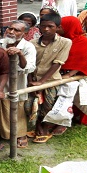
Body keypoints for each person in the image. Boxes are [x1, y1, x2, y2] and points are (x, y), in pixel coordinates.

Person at [29, 12, 72, 143]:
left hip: (51, 80)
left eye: (50, 26)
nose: (46, 29)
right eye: (43, 26)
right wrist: (32, 81)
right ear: (39, 27)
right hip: (33, 80)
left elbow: (57, 63)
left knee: (49, 105)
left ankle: (44, 127)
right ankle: (36, 126)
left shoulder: (65, 42)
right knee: (31, 105)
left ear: (57, 27)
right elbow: (30, 64)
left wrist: (41, 82)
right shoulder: (32, 43)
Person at [0, 20, 36, 148]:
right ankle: (6, 134)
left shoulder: (28, 47)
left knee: (18, 107)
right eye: (10, 29)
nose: (11, 32)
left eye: (17, 30)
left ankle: (21, 134)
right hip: (2, 80)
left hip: (19, 81)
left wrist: (19, 54)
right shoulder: (0, 43)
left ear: (25, 33)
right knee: (4, 106)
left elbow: (28, 67)